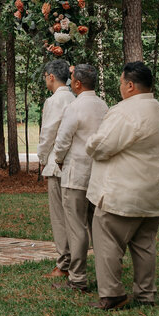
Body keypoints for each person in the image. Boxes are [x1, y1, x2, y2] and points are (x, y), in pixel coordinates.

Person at [85, 62, 159, 311]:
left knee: (108, 243)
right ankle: (146, 293)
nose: (121, 87)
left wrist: (90, 141)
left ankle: (113, 294)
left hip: (121, 191)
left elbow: (102, 146)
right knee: (145, 245)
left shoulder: (125, 111)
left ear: (130, 85)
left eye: (122, 83)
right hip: (151, 191)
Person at [52, 63, 108, 294]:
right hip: (97, 174)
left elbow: (63, 140)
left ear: (76, 83)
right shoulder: (104, 106)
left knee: (76, 228)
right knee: (97, 227)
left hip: (75, 174)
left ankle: (78, 277)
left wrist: (58, 159)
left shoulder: (75, 107)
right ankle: (106, 275)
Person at [37, 59, 75, 279]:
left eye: (45, 76)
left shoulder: (55, 101)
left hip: (56, 164)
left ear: (51, 76)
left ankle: (64, 262)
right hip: (73, 165)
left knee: (59, 217)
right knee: (73, 216)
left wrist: (42, 157)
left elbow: (48, 132)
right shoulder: (74, 98)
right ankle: (74, 259)